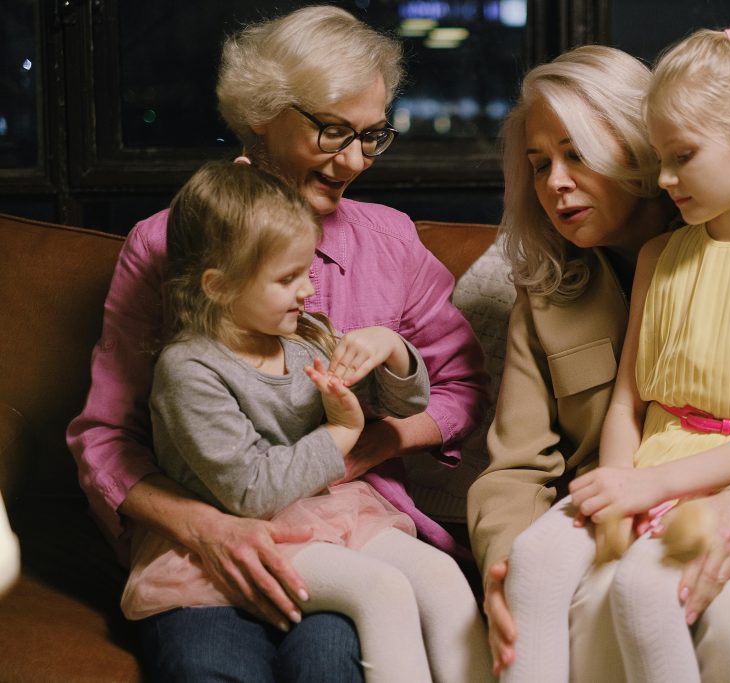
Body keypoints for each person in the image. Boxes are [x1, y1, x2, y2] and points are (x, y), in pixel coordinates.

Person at [66, 6, 487, 680]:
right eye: (332, 130)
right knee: (207, 664)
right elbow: (105, 436)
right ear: (263, 113)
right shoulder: (165, 243)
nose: (354, 159)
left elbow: (462, 387)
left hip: (348, 524)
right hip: (205, 534)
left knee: (330, 661)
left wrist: (374, 441)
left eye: (372, 134)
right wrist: (205, 526)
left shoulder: (390, 241)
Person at [466, 43, 730, 681]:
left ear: (639, 151)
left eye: (577, 154)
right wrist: (505, 568)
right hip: (613, 511)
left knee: (723, 616)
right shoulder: (548, 294)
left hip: (716, 499)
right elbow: (515, 465)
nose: (555, 183)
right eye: (538, 165)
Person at [118, 160, 493, 683]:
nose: (308, 291)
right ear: (219, 286)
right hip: (245, 531)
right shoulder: (189, 370)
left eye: (306, 273)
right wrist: (340, 434)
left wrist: (394, 352)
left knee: (440, 576)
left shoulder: (303, 335)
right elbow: (250, 491)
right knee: (381, 590)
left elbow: (400, 407)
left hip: (329, 515)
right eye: (288, 278)